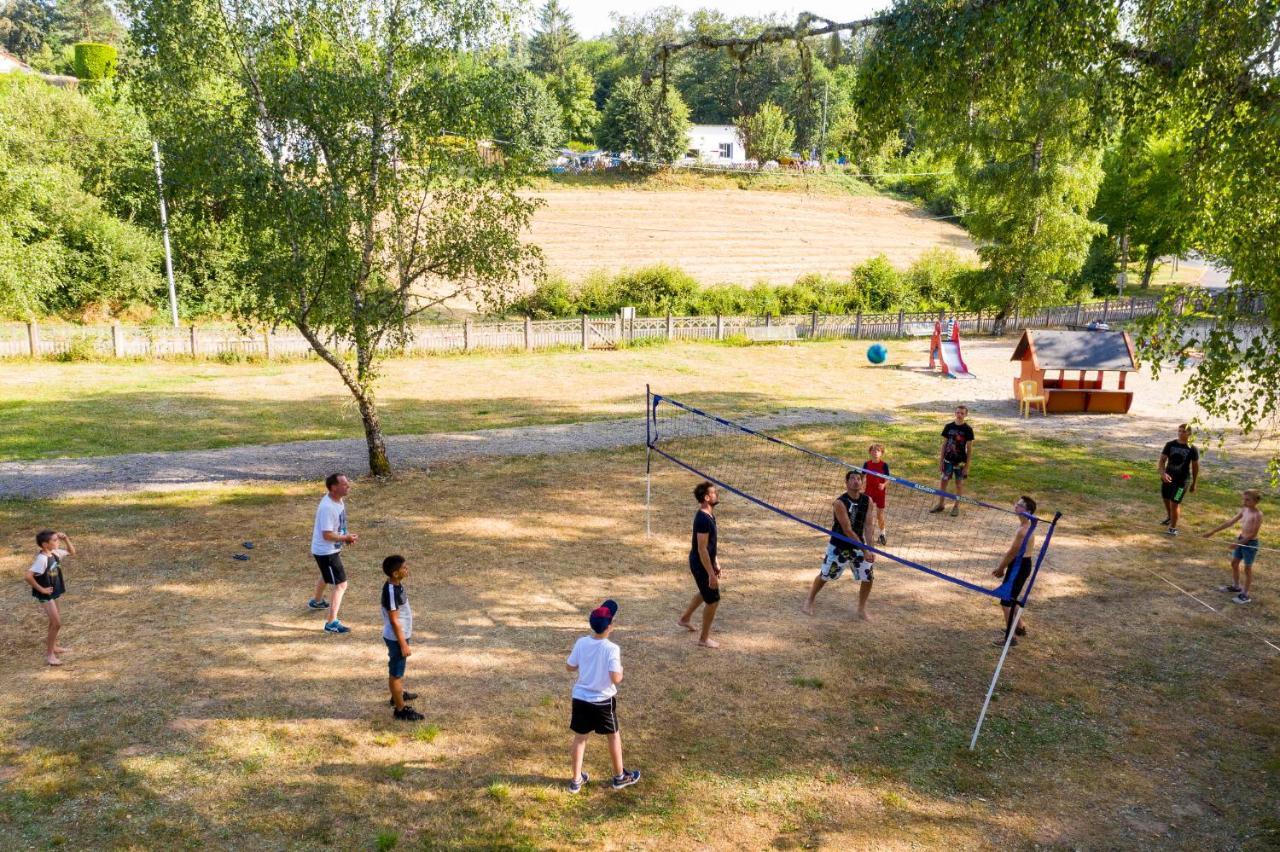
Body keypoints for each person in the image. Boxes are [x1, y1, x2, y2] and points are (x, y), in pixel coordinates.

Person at [566, 599, 640, 792]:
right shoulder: (612, 649)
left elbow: (570, 666)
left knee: (580, 738)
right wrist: (621, 671)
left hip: (580, 699)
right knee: (613, 737)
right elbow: (616, 678)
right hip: (603, 701)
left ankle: (576, 780)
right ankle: (619, 776)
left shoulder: (581, 642)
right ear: (610, 627)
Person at [803, 471, 876, 619]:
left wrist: (870, 548)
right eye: (852, 479)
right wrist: (864, 548)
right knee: (825, 575)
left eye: (858, 479)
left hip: (858, 546)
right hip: (839, 546)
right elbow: (847, 530)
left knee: (868, 577)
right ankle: (809, 600)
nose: (856, 481)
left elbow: (868, 526)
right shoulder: (839, 503)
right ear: (847, 483)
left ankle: (861, 609)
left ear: (862, 483)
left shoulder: (867, 500)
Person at [310, 472, 358, 633]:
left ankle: (316, 601)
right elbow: (327, 534)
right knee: (341, 584)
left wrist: (345, 536)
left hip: (330, 549)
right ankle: (331, 622)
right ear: (334, 487)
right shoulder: (327, 507)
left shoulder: (337, 500)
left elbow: (337, 525)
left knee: (326, 574)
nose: (348, 486)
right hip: (326, 551)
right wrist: (345, 537)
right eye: (344, 484)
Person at [678, 481, 722, 648]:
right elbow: (702, 549)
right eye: (713, 493)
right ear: (706, 497)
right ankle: (703, 639)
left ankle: (684, 619)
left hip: (705, 562)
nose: (716, 494)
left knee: (705, 593)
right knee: (713, 600)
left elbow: (711, 545)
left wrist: (716, 561)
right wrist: (711, 573)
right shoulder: (703, 519)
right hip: (700, 563)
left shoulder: (710, 514)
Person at [380, 555, 424, 720]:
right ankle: (400, 709)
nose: (407, 569)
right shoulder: (391, 591)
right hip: (397, 638)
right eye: (404, 568)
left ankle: (397, 695)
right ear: (395, 573)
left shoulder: (396, 584)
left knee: (398, 671)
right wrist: (403, 644)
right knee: (396, 674)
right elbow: (393, 620)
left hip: (401, 636)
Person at [1203, 489, 1264, 604]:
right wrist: (1212, 532)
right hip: (1241, 539)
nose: (1244, 502)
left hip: (1250, 544)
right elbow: (1230, 522)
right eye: (1244, 499)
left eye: (1248, 500)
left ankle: (1245, 595)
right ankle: (1236, 586)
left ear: (1256, 501)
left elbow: (1253, 534)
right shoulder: (1244, 510)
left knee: (1247, 568)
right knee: (1234, 563)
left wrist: (1238, 544)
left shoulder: (1258, 515)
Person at [991, 496, 1038, 647]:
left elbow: (1012, 553)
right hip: (1022, 565)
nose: (1015, 506)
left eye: (1019, 505)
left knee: (1006, 602)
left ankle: (1010, 638)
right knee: (1012, 598)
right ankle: (1020, 627)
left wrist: (1000, 568)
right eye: (1016, 503)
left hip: (1019, 566)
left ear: (1028, 511)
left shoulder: (1023, 531)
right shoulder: (1028, 525)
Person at [26, 530, 75, 666]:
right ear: (45, 544)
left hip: (54, 592)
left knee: (54, 622)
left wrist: (66, 539)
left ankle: (54, 646)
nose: (57, 541)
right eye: (54, 540)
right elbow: (28, 576)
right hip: (45, 595)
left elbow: (72, 552)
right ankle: (50, 655)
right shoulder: (42, 559)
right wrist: (42, 589)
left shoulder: (55, 553)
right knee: (57, 623)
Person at [931, 406, 975, 516]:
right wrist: (941, 461)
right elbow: (944, 444)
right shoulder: (948, 427)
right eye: (958, 412)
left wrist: (967, 466)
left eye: (962, 413)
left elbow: (969, 449)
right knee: (943, 483)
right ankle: (941, 504)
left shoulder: (968, 430)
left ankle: (956, 506)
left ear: (966, 415)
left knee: (959, 484)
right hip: (947, 461)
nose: (959, 415)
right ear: (955, 413)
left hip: (960, 463)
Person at [1158, 424, 1200, 536]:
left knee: (1174, 503)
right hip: (1168, 479)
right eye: (1179, 431)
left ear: (1189, 434)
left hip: (1182, 481)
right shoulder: (1170, 445)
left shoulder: (1192, 449)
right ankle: (1170, 517)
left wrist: (1194, 483)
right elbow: (1162, 461)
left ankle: (1173, 528)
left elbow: (1195, 467)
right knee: (1166, 499)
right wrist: (1163, 474)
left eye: (1184, 431)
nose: (1181, 433)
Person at [863, 444, 891, 545]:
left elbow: (888, 479)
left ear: (881, 453)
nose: (875, 452)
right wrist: (860, 488)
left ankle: (882, 534)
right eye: (873, 450)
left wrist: (884, 484)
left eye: (878, 451)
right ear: (870, 452)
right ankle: (866, 535)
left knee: (880, 515)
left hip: (880, 493)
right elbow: (862, 476)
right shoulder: (867, 464)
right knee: (867, 514)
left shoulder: (884, 465)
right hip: (869, 492)